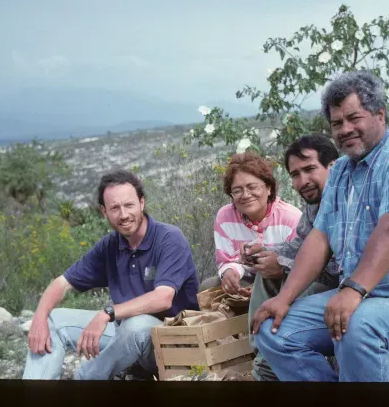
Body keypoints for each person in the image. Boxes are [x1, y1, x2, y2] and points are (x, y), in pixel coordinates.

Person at [251, 70, 389, 382]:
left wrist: (352, 290)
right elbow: (319, 238)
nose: (345, 129)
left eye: (354, 118)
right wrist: (284, 298)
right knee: (274, 331)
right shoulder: (340, 171)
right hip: (366, 300)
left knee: (354, 323)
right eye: (337, 123)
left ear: (379, 114)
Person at [22, 169, 200, 380]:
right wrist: (39, 319)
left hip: (171, 341)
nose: (123, 215)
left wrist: (106, 313)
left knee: (136, 325)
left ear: (142, 203)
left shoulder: (169, 238)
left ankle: (85, 379)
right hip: (123, 334)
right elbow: (62, 283)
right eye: (115, 208)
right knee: (53, 320)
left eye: (129, 205)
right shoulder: (110, 245)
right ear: (104, 212)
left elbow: (163, 297)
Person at [244, 134, 342, 381]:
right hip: (322, 278)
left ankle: (268, 362)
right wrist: (269, 253)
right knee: (264, 274)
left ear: (333, 166)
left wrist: (283, 265)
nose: (303, 181)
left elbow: (335, 265)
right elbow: (301, 243)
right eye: (295, 175)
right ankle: (260, 349)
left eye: (310, 169)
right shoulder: (314, 203)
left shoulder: (345, 199)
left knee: (301, 285)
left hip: (341, 285)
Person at [200, 152, 302, 296]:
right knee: (209, 286)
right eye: (237, 190)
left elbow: (301, 267)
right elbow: (228, 260)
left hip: (283, 280)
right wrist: (230, 273)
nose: (246, 195)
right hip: (247, 280)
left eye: (252, 187)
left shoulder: (291, 218)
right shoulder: (225, 217)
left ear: (269, 188)